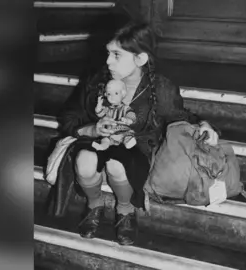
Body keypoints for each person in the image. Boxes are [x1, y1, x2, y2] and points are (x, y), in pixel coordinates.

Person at [58, 21, 220, 245]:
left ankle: (125, 210)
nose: (107, 61)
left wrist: (204, 124)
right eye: (108, 53)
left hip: (134, 146)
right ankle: (94, 204)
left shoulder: (160, 87)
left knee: (117, 164)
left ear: (140, 58)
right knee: (84, 160)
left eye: (116, 55)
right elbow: (68, 118)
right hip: (99, 140)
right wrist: (92, 128)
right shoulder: (96, 81)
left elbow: (179, 115)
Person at [92, 79, 137, 151]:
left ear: (123, 93)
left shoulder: (125, 108)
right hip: (110, 132)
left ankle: (128, 141)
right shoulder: (108, 109)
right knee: (105, 139)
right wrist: (99, 105)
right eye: (109, 94)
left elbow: (131, 114)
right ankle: (103, 146)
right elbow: (99, 114)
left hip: (123, 130)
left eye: (116, 93)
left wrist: (128, 120)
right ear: (106, 94)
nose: (112, 96)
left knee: (127, 135)